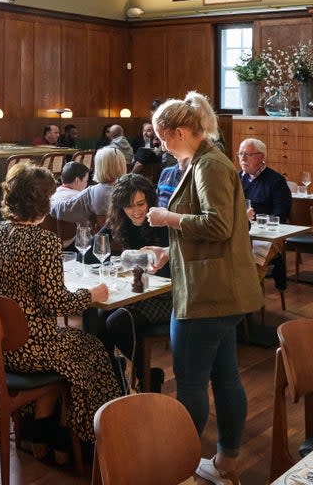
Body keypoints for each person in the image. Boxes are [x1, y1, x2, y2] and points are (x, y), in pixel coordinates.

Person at [145, 92, 262, 485]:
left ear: (180, 131)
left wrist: (167, 218)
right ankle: (224, 463)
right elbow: (216, 231)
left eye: (164, 139)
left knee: (192, 382)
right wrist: (167, 250)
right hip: (219, 287)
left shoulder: (208, 164)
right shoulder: (206, 159)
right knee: (225, 377)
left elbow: (216, 226)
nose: (162, 146)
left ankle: (182, 469)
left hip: (206, 292)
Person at [0, 163, 121, 449]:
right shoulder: (44, 241)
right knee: (94, 351)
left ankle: (40, 432)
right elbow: (55, 303)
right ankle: (86, 441)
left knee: (69, 351)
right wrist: (91, 295)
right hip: (29, 348)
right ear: (42, 202)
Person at [100, 174, 172, 393]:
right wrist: (117, 258)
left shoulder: (163, 221)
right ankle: (115, 378)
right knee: (98, 319)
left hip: (166, 294)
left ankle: (141, 376)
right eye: (128, 206)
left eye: (140, 204)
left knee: (117, 322)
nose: (135, 211)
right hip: (134, 291)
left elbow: (169, 266)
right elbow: (96, 248)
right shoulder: (119, 220)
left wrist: (127, 259)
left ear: (150, 200)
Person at [238, 137, 292, 292]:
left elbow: (280, 214)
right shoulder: (235, 178)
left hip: (267, 235)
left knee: (252, 262)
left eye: (247, 154)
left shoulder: (276, 181)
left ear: (261, 157)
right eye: (240, 154)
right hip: (240, 231)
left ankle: (247, 302)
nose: (242, 158)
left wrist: (257, 221)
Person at [49, 146, 127, 228]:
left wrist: (49, 201)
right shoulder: (131, 188)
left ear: (99, 167)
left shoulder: (92, 192)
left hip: (103, 238)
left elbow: (63, 210)